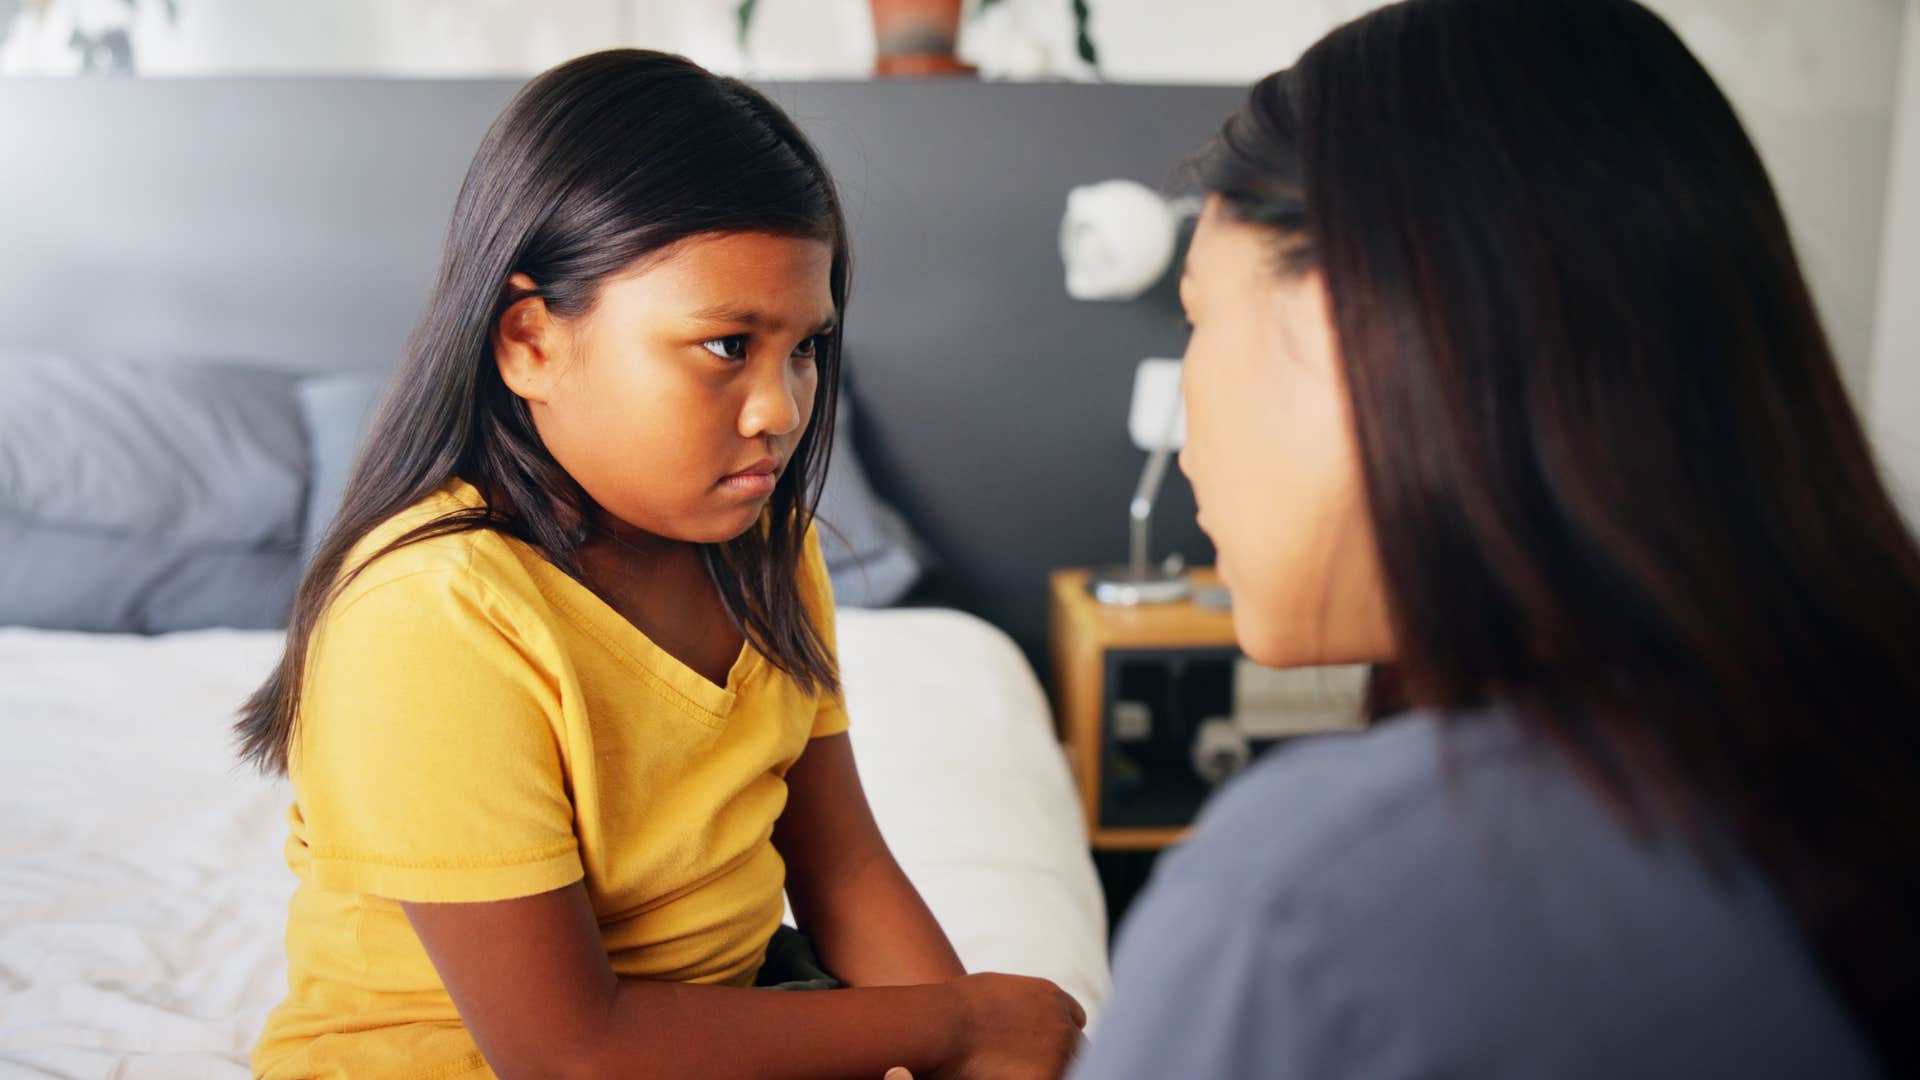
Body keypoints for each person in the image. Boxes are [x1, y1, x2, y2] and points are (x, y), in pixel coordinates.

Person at [1069, 1, 1919, 1076]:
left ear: (1355, 328)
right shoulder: (1858, 747)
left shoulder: (1312, 902)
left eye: (1197, 315)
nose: (1186, 418)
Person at [238, 48, 1084, 1080]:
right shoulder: (430, 615)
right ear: (531, 344)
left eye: (805, 349)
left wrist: (970, 1046)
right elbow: (566, 1053)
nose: (781, 410)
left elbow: (845, 866)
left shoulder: (767, 548)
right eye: (728, 345)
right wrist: (953, 1025)